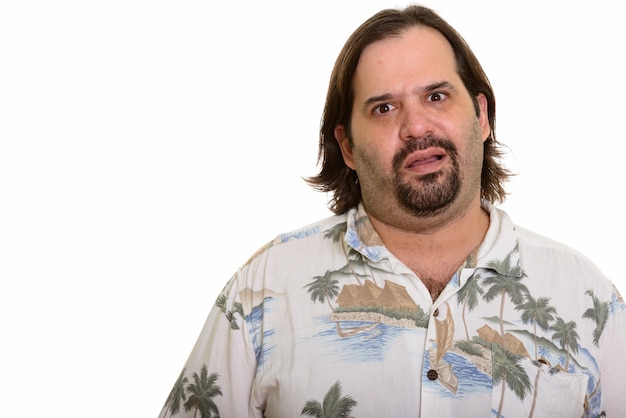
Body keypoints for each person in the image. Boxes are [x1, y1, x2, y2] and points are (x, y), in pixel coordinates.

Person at [158, 5, 626, 417]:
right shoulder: (262, 292)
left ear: (481, 116)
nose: (416, 126)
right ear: (347, 146)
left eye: (437, 96)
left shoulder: (586, 296)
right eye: (384, 108)